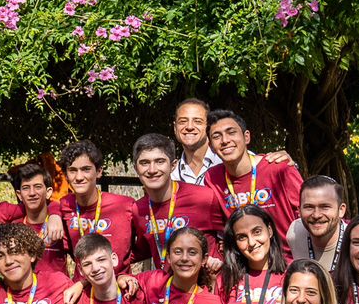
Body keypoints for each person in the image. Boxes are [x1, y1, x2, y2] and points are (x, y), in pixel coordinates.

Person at [129, 133, 228, 267]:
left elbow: (236, 232)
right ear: (136, 168)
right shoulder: (138, 209)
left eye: (160, 161)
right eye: (145, 163)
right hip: (169, 285)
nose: (152, 170)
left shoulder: (204, 198)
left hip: (208, 283)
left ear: (173, 165)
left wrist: (222, 261)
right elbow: (140, 250)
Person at [203, 110, 303, 237]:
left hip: (288, 255)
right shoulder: (212, 178)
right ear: (211, 146)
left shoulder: (279, 167)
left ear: (246, 137)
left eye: (231, 132)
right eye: (216, 136)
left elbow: (306, 211)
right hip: (245, 254)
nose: (225, 140)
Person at [58, 140, 136, 270]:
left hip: (118, 286)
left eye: (86, 169)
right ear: (66, 175)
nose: (79, 177)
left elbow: (145, 244)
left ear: (99, 171)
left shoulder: (125, 205)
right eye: (72, 170)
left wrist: (121, 268)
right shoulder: (64, 206)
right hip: (82, 286)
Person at [12, 161, 69, 275]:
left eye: (37, 187)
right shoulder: (13, 227)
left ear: (48, 192)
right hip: (25, 291)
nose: (32, 193)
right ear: (19, 195)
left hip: (58, 291)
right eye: (26, 188)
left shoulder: (62, 224)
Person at [285, 176, 349, 271]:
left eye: (325, 207)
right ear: (299, 211)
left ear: (341, 210)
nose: (316, 215)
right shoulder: (295, 234)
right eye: (309, 207)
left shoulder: (353, 240)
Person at [171, 98, 221, 187]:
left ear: (208, 126)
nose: (189, 127)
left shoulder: (226, 161)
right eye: (183, 121)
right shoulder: (172, 175)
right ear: (175, 128)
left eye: (197, 121)